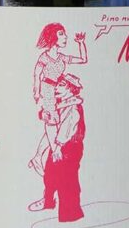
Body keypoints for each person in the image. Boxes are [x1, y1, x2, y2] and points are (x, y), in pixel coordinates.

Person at [29, 24, 87, 174]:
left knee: (57, 122)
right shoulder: (44, 57)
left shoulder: (62, 57)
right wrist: (37, 93)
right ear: (52, 37)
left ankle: (38, 156)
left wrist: (81, 43)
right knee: (52, 121)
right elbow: (37, 74)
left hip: (59, 91)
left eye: (65, 34)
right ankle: (54, 153)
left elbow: (83, 59)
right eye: (61, 34)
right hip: (48, 90)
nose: (65, 37)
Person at [28, 73, 86, 222]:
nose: (56, 88)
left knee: (67, 179)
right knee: (50, 173)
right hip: (57, 146)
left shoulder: (73, 108)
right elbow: (51, 130)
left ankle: (71, 213)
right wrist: (39, 153)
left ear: (71, 89)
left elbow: (67, 129)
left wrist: (58, 148)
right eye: (57, 85)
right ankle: (48, 201)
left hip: (69, 148)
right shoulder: (59, 105)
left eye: (61, 85)